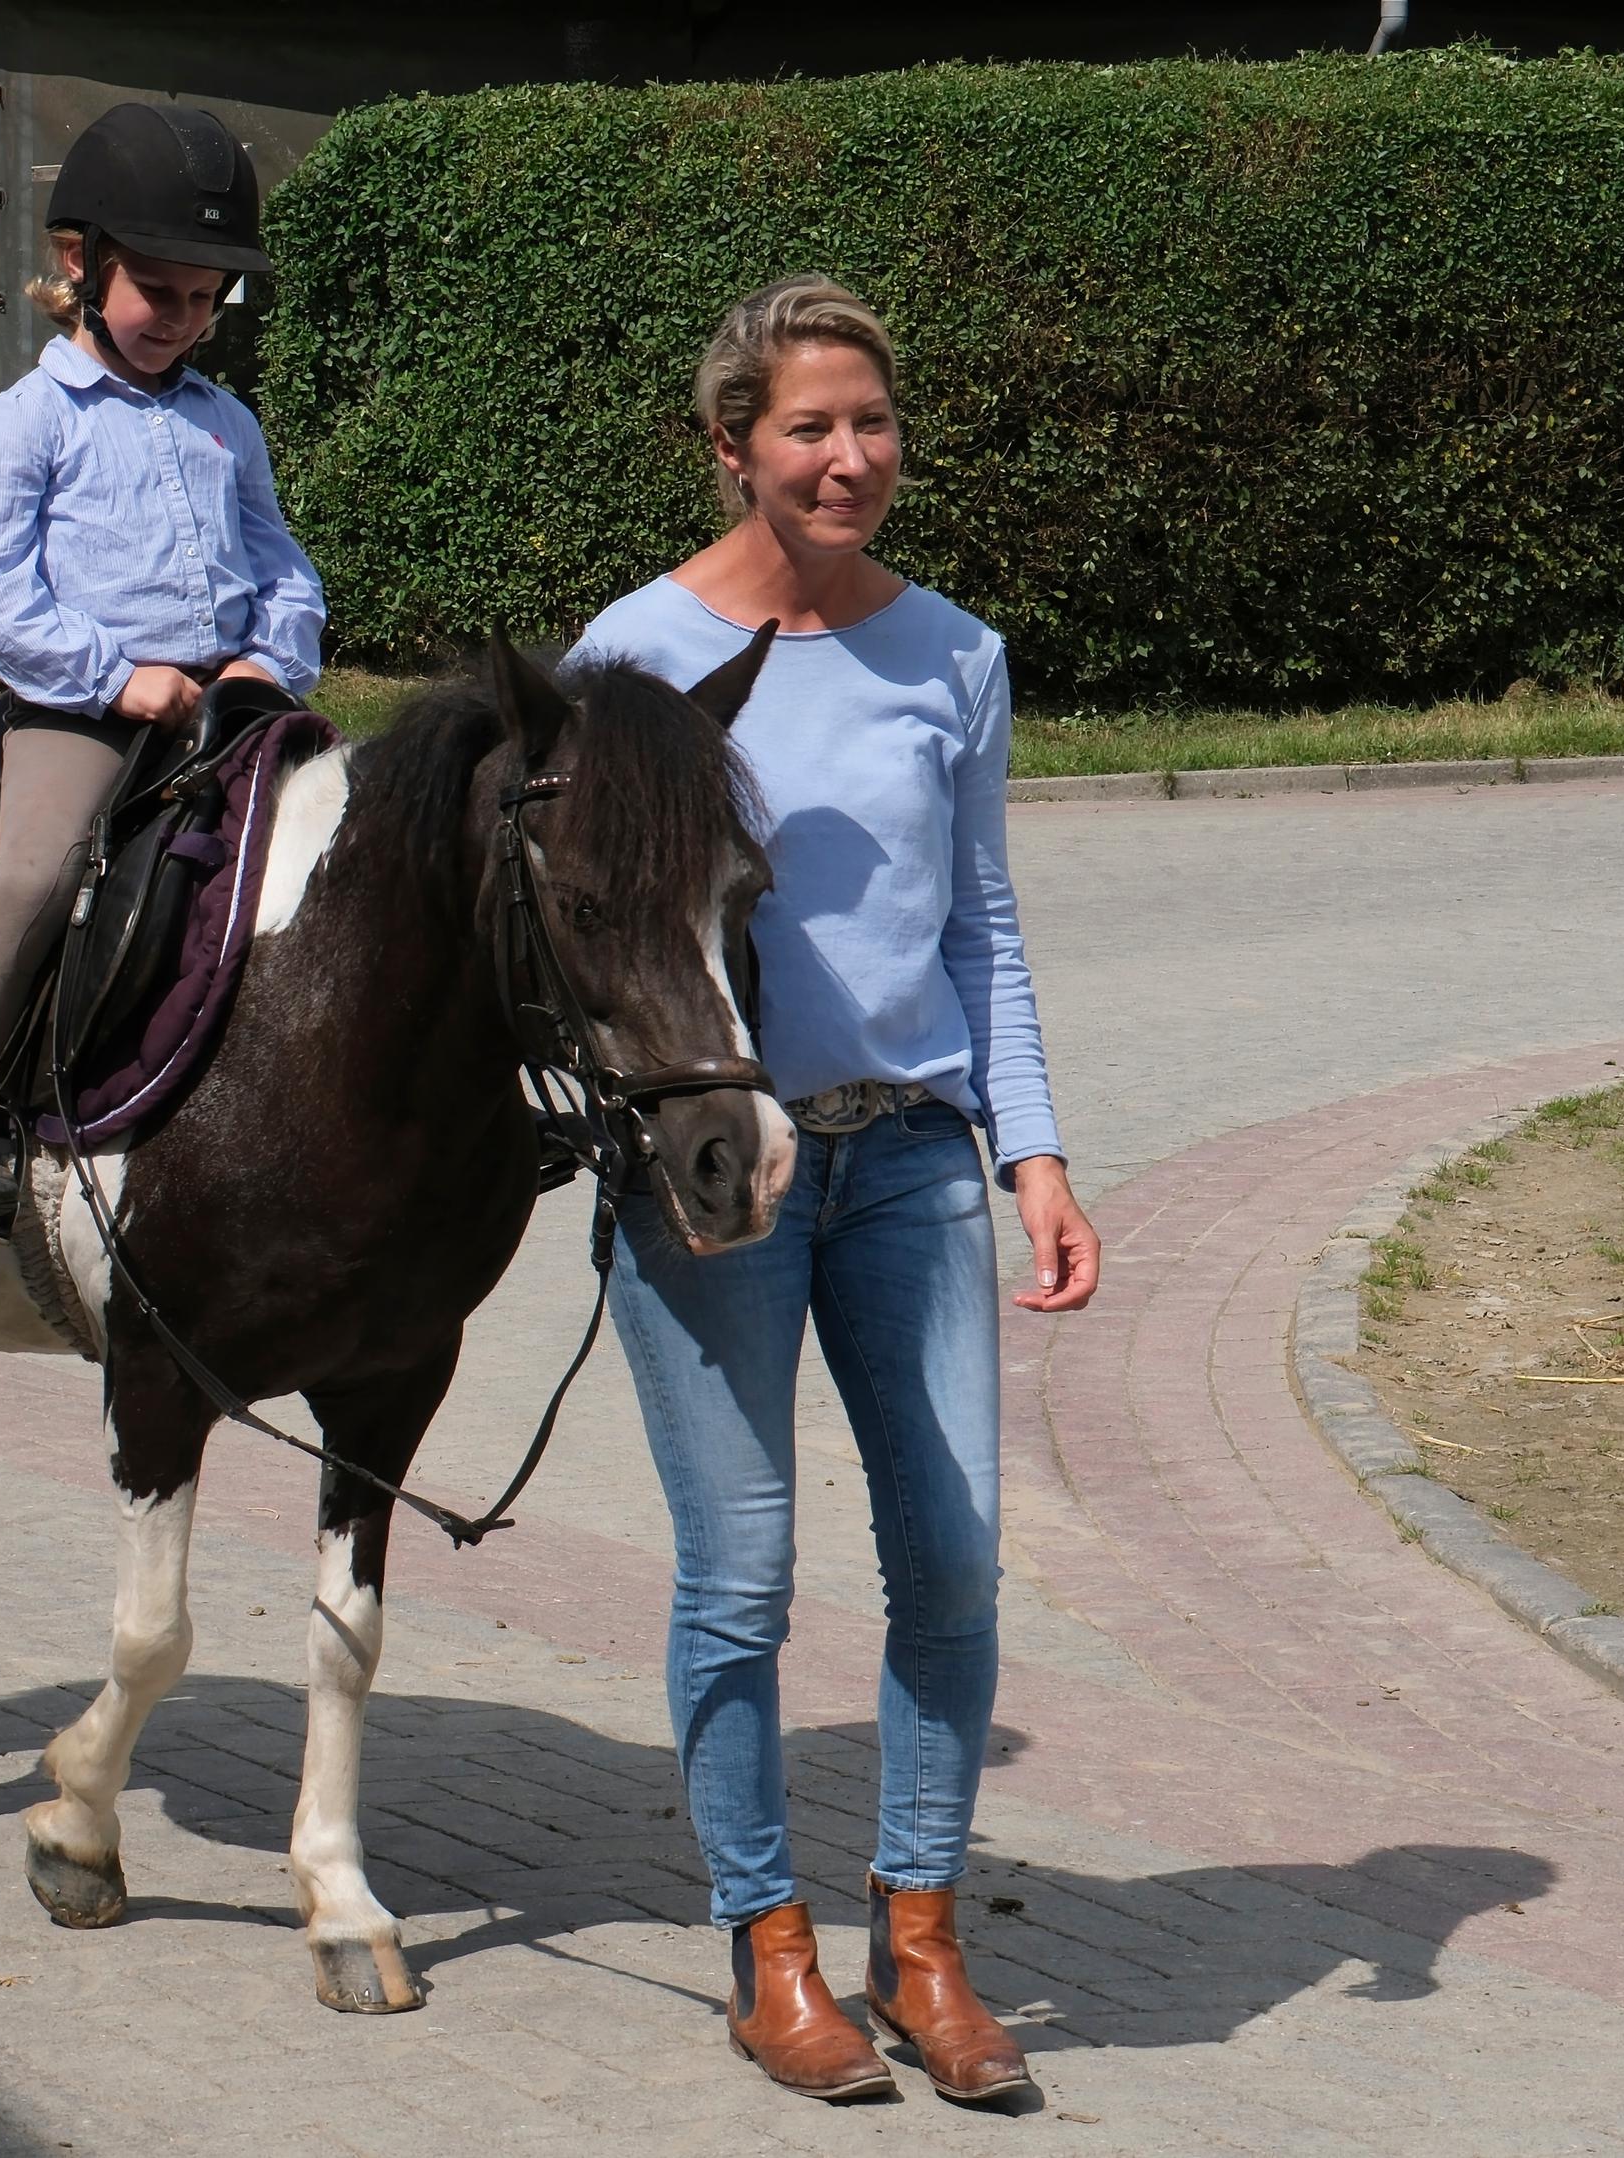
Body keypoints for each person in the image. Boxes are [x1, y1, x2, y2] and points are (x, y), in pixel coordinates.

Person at [572, 276, 1102, 2108]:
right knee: (742, 1573)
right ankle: (767, 1948)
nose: (850, 457)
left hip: (914, 1164)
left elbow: (985, 928)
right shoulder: (630, 656)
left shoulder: (953, 653)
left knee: (951, 1562)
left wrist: (1031, 1148)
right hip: (718, 1172)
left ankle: (928, 1938)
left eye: (871, 423)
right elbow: (593, 939)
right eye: (808, 426)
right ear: (733, 447)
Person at [0, 102, 322, 1241]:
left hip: (236, 695)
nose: (185, 320)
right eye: (162, 292)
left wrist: (269, 656)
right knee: (42, 872)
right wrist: (116, 676)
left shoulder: (227, 423)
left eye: (207, 300)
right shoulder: (20, 425)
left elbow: (281, 564)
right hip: (81, 708)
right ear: (81, 267)